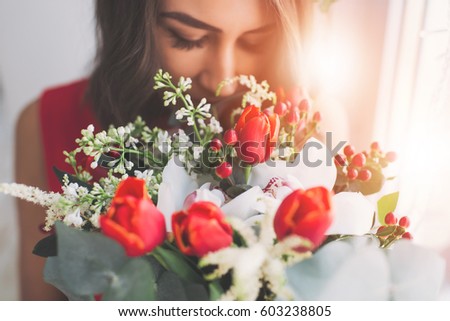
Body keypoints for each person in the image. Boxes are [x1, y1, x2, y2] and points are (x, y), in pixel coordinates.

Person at [15, 0, 313, 300]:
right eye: (188, 38)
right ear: (130, 23)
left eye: (254, 41)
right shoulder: (46, 122)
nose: (223, 81)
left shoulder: (305, 125)